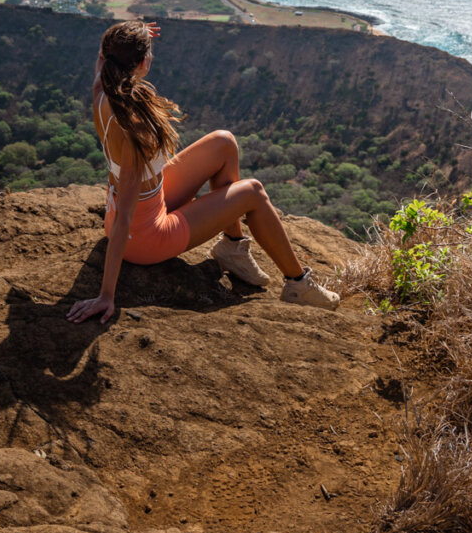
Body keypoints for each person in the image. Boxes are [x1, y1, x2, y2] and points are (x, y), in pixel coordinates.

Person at [66, 20, 340, 324]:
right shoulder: (132, 128)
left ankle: (233, 250)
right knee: (254, 192)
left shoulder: (101, 88)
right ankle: (298, 285)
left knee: (224, 142)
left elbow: (105, 54)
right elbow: (125, 222)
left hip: (148, 202)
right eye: (149, 53)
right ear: (143, 63)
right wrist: (106, 296)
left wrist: (132, 33)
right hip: (142, 238)